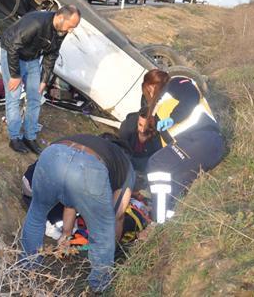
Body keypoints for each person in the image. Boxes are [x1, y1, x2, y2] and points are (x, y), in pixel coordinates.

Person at [21, 133, 134, 292]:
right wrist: (110, 251)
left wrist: (66, 236)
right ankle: (100, 286)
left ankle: (27, 269)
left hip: (53, 154)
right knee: (103, 231)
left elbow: (71, 199)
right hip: (88, 169)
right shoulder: (127, 167)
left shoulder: (90, 140)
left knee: (37, 214)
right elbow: (118, 216)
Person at [141, 69, 225, 223]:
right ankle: (170, 219)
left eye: (149, 89)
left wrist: (173, 118)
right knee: (173, 182)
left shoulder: (175, 83)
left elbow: (190, 96)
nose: (151, 93)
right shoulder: (160, 112)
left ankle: (158, 222)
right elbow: (167, 149)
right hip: (196, 148)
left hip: (203, 138)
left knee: (156, 165)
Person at [0, 5, 81, 154]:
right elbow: (13, 48)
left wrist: (44, 79)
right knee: (14, 97)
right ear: (61, 17)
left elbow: (52, 54)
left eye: (73, 27)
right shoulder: (36, 23)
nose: (71, 31)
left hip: (32, 59)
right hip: (12, 54)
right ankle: (15, 138)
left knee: (35, 97)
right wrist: (15, 75)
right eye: (71, 26)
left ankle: (29, 137)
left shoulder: (61, 30)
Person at [118, 106, 162, 172]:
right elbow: (120, 147)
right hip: (126, 159)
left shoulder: (158, 138)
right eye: (140, 125)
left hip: (142, 165)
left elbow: (155, 159)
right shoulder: (127, 128)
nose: (142, 130)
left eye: (147, 126)